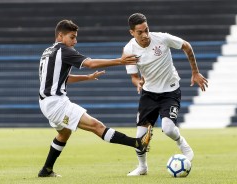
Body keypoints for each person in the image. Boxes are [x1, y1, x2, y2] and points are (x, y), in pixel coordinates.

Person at [37, 19, 152, 177]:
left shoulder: (48, 52)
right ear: (60, 36)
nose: (75, 41)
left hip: (46, 102)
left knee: (64, 134)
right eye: (72, 37)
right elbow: (90, 63)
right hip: (56, 103)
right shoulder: (64, 50)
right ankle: (137, 143)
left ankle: (46, 170)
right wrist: (120, 61)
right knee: (97, 126)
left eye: (76, 37)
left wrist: (87, 77)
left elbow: (64, 78)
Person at [122, 13, 208, 176]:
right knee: (140, 138)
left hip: (170, 91)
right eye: (140, 32)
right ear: (132, 32)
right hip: (148, 94)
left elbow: (186, 46)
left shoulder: (162, 38)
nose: (145, 35)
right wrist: (138, 83)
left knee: (168, 128)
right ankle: (142, 167)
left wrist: (195, 72)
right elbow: (134, 77)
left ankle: (182, 143)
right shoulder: (128, 50)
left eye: (146, 30)